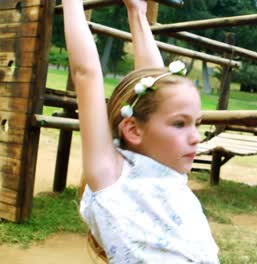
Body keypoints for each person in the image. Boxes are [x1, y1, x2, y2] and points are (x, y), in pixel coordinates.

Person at [62, 0, 219, 262]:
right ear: (133, 130)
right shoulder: (111, 177)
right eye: (180, 124)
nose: (195, 137)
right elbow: (86, 74)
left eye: (197, 123)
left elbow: (157, 87)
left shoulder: (168, 174)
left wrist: (137, 12)